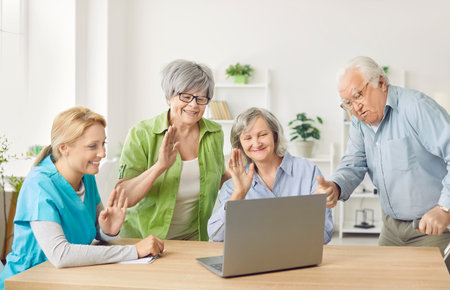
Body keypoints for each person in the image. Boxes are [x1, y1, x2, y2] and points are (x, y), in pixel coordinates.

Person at [0, 106, 164, 288]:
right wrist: (134, 251)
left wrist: (108, 230)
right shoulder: (39, 185)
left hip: (70, 279)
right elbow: (61, 254)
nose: (102, 153)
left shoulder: (86, 176)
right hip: (28, 281)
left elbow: (96, 231)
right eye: (93, 146)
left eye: (104, 143)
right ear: (64, 148)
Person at [316, 56, 450, 254]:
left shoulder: (416, 107)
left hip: (432, 228)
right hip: (390, 229)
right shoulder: (359, 122)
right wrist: (335, 186)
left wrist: (445, 209)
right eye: (348, 103)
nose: (356, 108)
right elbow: (354, 162)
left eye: (358, 95)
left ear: (381, 82)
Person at [117, 59, 229, 241]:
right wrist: (160, 166)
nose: (193, 105)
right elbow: (125, 198)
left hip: (194, 240)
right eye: (186, 96)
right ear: (169, 97)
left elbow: (221, 180)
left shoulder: (214, 133)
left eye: (201, 99)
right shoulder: (142, 133)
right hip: (143, 241)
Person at [208, 107, 333, 244]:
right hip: (253, 260)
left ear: (274, 135)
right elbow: (216, 235)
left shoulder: (308, 171)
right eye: (248, 138)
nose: (256, 143)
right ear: (240, 145)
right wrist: (239, 194)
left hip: (299, 258)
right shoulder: (232, 186)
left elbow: (324, 233)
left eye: (262, 135)